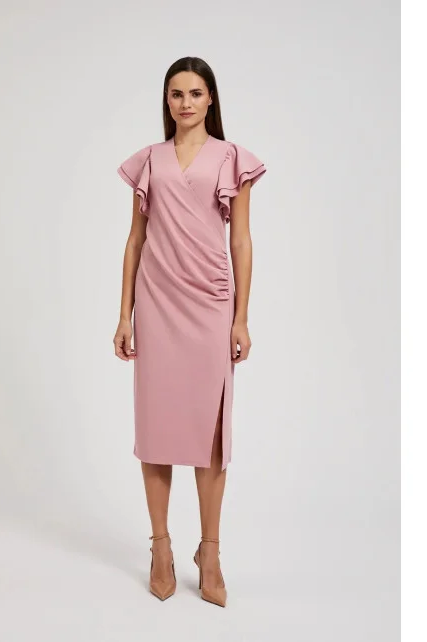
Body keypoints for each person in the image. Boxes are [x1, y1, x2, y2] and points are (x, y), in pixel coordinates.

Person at [113, 56, 267, 607]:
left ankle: (211, 551)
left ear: (210, 99)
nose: (185, 103)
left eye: (195, 93)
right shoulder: (149, 161)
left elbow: (241, 240)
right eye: (176, 94)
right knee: (156, 427)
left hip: (209, 305)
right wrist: (125, 313)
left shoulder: (230, 158)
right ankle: (160, 547)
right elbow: (135, 239)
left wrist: (241, 316)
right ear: (167, 100)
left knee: (210, 434)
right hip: (157, 302)